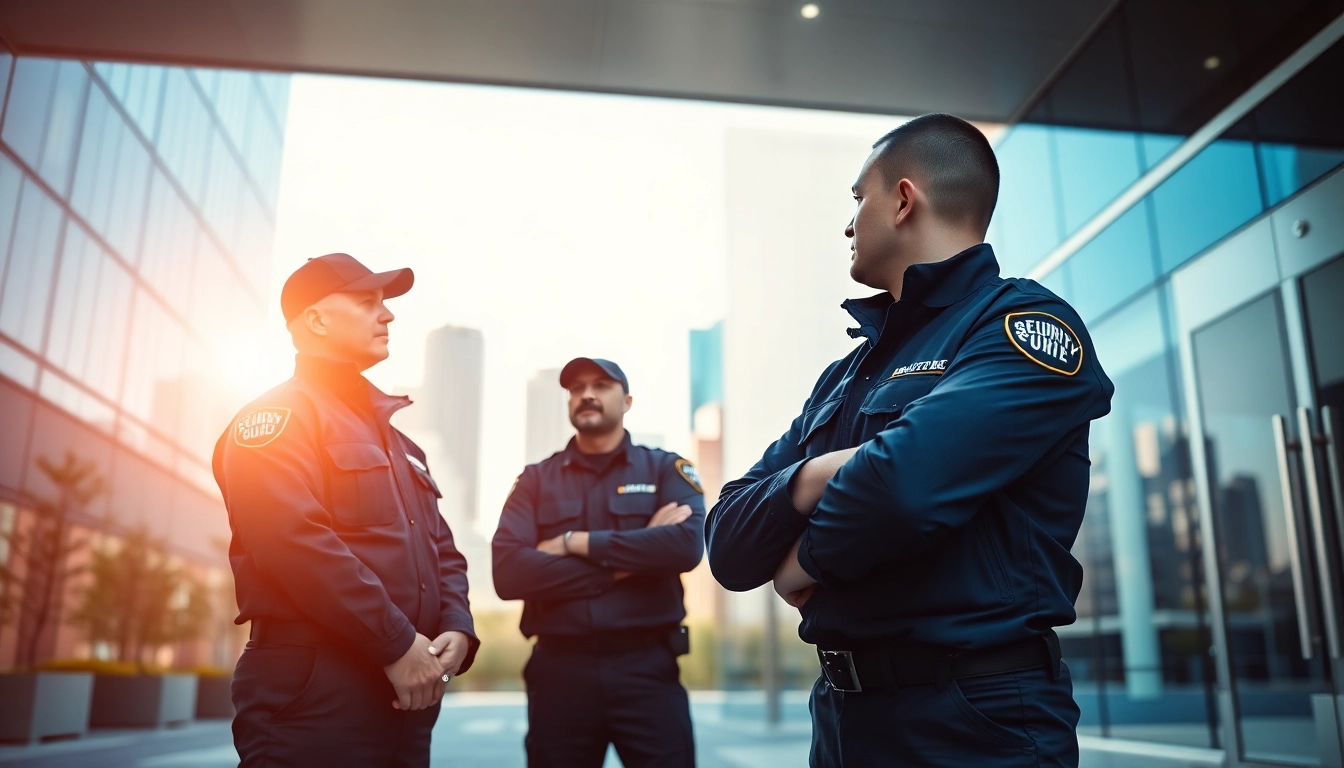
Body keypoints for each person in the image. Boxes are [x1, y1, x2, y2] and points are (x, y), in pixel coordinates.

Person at [705, 114, 1115, 767]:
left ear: (902, 199)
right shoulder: (844, 376)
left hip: (974, 720)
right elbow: (727, 541)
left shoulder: (1023, 329)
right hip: (842, 718)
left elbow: (901, 489)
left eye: (857, 198)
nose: (848, 223)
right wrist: (814, 477)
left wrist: (801, 560)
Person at [213, 253, 479, 767]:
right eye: (366, 301)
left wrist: (457, 628)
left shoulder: (403, 446)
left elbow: (443, 550)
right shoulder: (275, 417)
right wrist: (398, 644)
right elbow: (293, 543)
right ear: (314, 319)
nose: (388, 315)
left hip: (406, 692)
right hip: (315, 688)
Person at [493, 357, 705, 768]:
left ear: (626, 401)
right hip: (559, 674)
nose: (587, 394)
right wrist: (635, 558)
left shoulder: (665, 469)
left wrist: (573, 543)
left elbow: (684, 547)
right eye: (576, 388)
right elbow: (508, 573)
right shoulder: (535, 480)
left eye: (602, 385)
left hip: (647, 670)